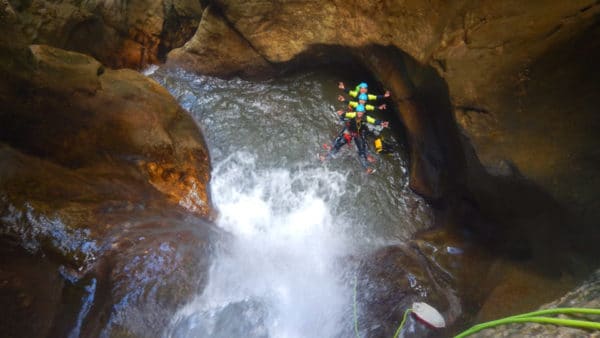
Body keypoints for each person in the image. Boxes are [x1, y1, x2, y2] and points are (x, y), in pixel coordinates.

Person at [321, 104, 390, 174]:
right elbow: (345, 115)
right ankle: (325, 157)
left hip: (357, 134)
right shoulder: (352, 115)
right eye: (358, 112)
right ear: (356, 112)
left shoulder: (365, 118)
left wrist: (381, 123)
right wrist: (341, 113)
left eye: (361, 112)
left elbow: (374, 121)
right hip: (349, 133)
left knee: (361, 152)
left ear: (363, 112)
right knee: (338, 145)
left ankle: (367, 168)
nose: (360, 113)